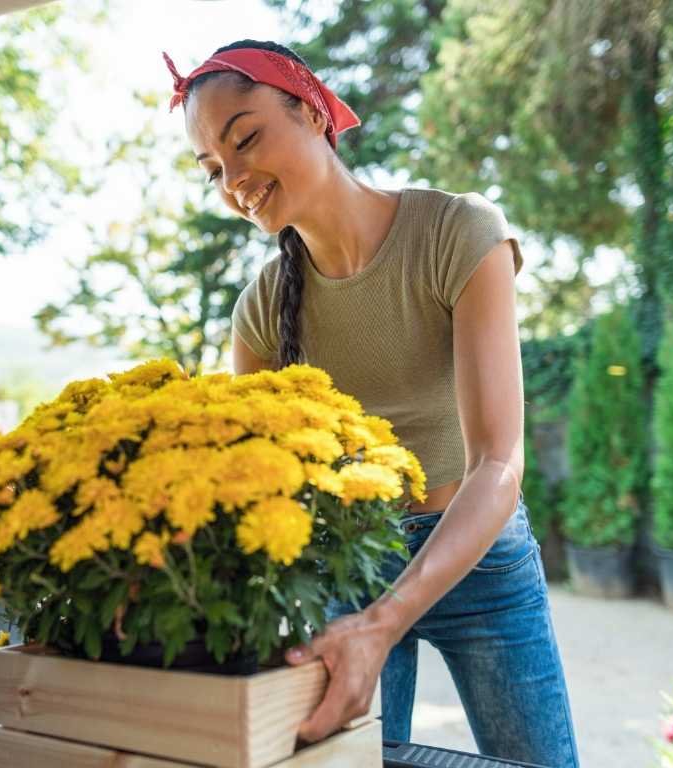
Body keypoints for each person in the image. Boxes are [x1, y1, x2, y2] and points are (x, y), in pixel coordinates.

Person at [164, 40, 580, 767]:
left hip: (480, 557)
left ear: (314, 112)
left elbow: (498, 463)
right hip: (346, 571)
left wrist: (387, 620)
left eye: (246, 138)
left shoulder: (458, 232)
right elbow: (261, 488)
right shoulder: (261, 311)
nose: (234, 181)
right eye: (212, 169)